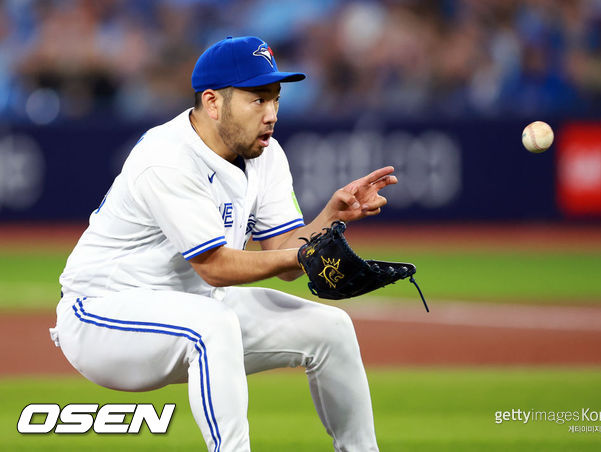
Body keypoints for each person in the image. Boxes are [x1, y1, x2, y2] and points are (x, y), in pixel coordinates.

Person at [50, 36, 397, 452]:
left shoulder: (266, 154)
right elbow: (215, 267)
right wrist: (305, 253)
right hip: (102, 316)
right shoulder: (166, 157)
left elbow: (286, 259)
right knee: (211, 325)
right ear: (213, 102)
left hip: (193, 308)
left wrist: (329, 219)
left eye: (276, 99)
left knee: (330, 330)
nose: (271, 114)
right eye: (257, 99)